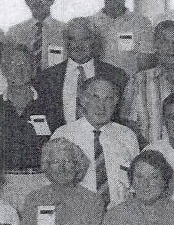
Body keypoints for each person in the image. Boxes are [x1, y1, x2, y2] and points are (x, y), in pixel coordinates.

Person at [0, 45, 51, 213]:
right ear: (4, 70)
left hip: (41, 181)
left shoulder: (49, 105)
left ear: (33, 70)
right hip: (3, 184)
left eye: (25, 64)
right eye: (13, 64)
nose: (19, 69)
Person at [50, 76, 139, 208]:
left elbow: (136, 183)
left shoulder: (127, 136)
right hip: (77, 214)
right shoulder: (64, 135)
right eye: (95, 97)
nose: (101, 106)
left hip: (118, 216)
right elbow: (53, 185)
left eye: (108, 99)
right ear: (83, 100)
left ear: (115, 102)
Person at [34, 17, 128, 134]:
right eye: (72, 39)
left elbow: (122, 119)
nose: (79, 45)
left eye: (85, 39)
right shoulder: (47, 78)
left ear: (94, 41)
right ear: (65, 42)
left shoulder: (115, 75)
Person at [88, 0, 153, 77]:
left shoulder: (142, 23)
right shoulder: (89, 24)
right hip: (98, 89)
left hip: (131, 88)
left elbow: (145, 66)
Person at [7, 0, 67, 78]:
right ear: (26, 0)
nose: (37, 1)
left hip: (55, 88)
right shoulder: (14, 33)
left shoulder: (65, 31)